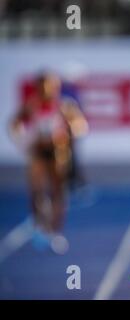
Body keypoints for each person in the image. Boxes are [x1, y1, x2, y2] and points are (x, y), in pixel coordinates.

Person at [9, 71, 88, 254]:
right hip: (37, 152)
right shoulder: (31, 106)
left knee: (57, 192)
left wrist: (69, 135)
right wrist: (23, 142)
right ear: (37, 88)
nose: (46, 91)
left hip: (57, 153)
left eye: (50, 87)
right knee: (36, 191)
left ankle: (54, 230)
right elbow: (14, 125)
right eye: (42, 87)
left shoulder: (63, 105)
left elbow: (80, 126)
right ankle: (40, 226)